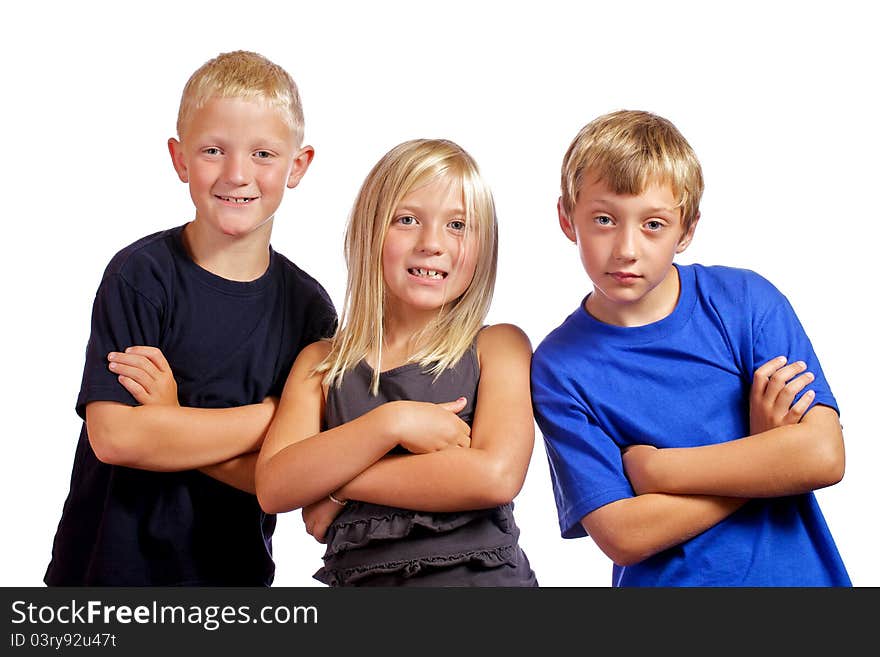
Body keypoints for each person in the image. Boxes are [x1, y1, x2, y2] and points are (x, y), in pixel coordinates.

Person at [44, 51, 337, 586]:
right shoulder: (141, 276)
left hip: (229, 580)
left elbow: (282, 479)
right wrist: (268, 419)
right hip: (103, 577)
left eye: (264, 153)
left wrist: (171, 418)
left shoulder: (309, 312)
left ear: (298, 165)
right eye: (213, 151)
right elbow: (117, 438)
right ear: (180, 159)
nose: (237, 174)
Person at [531, 109, 850, 586]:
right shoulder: (559, 367)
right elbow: (623, 533)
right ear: (566, 218)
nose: (626, 248)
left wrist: (660, 471)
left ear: (687, 229)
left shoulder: (743, 302)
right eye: (604, 219)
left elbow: (823, 455)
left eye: (653, 224)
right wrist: (763, 455)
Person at [255, 138, 538, 586]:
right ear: (369, 232)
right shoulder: (321, 364)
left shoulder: (498, 347)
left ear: (485, 246)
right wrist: (392, 423)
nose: (432, 243)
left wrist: (339, 485)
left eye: (458, 225)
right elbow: (274, 485)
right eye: (407, 220)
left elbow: (495, 475)